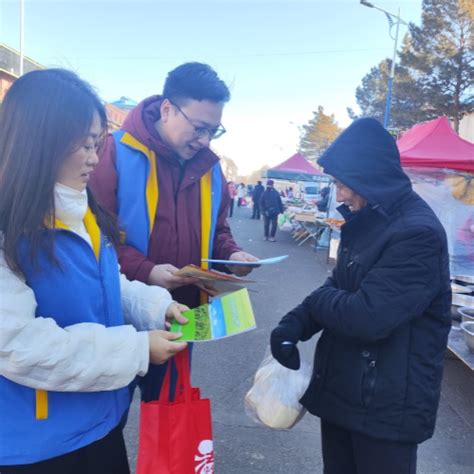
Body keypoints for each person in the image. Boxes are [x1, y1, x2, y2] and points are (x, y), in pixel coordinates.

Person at [0, 69, 189, 473]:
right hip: (38, 446)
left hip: (102, 420)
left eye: (97, 142)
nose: (94, 157)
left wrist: (156, 307)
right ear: (40, 140)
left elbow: (105, 284)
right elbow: (18, 344)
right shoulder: (8, 227)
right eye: (84, 144)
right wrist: (137, 349)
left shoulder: (84, 211)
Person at [270, 118, 451, 474]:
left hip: (386, 408)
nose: (339, 194)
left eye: (343, 183)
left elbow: (367, 316)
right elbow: (338, 283)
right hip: (346, 392)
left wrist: (320, 304)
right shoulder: (371, 220)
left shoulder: (418, 233)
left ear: (370, 177)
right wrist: (295, 323)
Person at [90, 62, 258, 401]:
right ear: (167, 109)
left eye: (214, 130)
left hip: (183, 315)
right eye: (198, 128)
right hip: (119, 317)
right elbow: (93, 235)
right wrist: (147, 271)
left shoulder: (210, 169)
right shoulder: (115, 152)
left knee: (170, 418)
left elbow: (219, 230)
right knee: (107, 417)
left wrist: (231, 255)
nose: (205, 140)